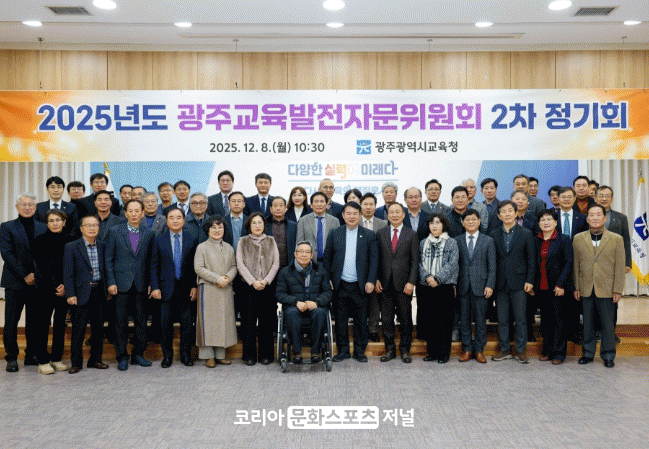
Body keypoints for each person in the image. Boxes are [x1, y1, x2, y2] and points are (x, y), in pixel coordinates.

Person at [324, 201, 379, 363]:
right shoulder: (335, 233)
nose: (352, 216)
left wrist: (371, 281)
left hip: (360, 285)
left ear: (360, 215)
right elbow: (327, 258)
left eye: (355, 213)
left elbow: (374, 260)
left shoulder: (369, 235)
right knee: (340, 320)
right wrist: (328, 279)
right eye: (348, 213)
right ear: (343, 215)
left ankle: (360, 351)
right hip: (340, 284)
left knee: (361, 320)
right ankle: (343, 351)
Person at [105, 199, 155, 371]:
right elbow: (108, 259)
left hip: (141, 284)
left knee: (141, 321)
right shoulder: (114, 231)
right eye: (130, 211)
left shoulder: (149, 233)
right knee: (120, 322)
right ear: (125, 213)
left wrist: (151, 283)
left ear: (142, 213)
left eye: (137, 211)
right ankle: (122, 356)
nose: (134, 214)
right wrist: (111, 281)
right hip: (120, 285)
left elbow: (151, 261)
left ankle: (138, 354)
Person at [574, 204, 625, 368]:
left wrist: (618, 289)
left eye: (598, 215)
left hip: (607, 288)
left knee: (607, 325)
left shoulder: (616, 239)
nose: (595, 218)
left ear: (604, 218)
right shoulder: (578, 238)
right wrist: (577, 286)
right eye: (591, 215)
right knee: (587, 324)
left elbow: (620, 266)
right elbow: (576, 264)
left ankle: (608, 355)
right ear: (587, 219)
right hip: (586, 287)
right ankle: (587, 353)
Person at [1, 194, 47, 372]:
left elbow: (44, 254)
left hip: (37, 282)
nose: (27, 208)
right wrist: (25, 274)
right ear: (17, 207)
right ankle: (12, 357)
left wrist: (35, 274)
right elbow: (7, 254)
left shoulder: (43, 227)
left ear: (35, 208)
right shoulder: (6, 227)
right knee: (11, 322)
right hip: (14, 282)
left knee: (34, 322)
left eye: (30, 205)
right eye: (24, 204)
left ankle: (31, 355)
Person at [149, 207, 198, 368]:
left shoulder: (192, 239)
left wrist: (194, 286)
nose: (175, 220)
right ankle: (167, 357)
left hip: (186, 288)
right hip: (165, 289)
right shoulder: (159, 239)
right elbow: (154, 265)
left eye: (178, 217)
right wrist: (155, 287)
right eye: (171, 217)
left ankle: (185, 355)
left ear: (183, 220)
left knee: (187, 325)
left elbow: (194, 266)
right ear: (166, 220)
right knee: (165, 325)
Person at [490, 200, 536, 364]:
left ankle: (521, 351)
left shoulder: (526, 233)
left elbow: (532, 260)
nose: (507, 214)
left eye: (510, 210)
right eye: (503, 211)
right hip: (501, 283)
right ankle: (504, 349)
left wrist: (530, 280)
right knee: (502, 319)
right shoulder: (494, 234)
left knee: (521, 319)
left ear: (516, 213)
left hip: (520, 283)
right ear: (499, 215)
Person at [63, 215, 109, 374]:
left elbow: (106, 269)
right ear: (81, 228)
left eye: (95, 225)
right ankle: (76, 363)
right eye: (88, 225)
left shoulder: (103, 245)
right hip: (80, 293)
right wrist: (70, 293)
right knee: (78, 329)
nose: (92, 228)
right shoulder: (71, 246)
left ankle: (95, 359)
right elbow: (68, 273)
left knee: (98, 329)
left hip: (99, 292)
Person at [375, 202, 419, 363]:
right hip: (385, 284)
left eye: (397, 212)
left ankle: (405, 350)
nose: (394, 215)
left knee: (405, 319)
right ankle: (390, 349)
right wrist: (376, 279)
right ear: (387, 215)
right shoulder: (380, 233)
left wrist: (411, 282)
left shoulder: (411, 234)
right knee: (387, 320)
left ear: (403, 214)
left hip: (404, 285)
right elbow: (377, 259)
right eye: (391, 212)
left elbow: (415, 261)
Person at [276, 241, 332, 364]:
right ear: (295, 254)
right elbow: (279, 294)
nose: (304, 255)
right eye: (301, 251)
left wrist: (316, 302)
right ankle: (296, 352)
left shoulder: (321, 270)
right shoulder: (285, 272)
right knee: (291, 313)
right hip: (294, 307)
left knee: (320, 313)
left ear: (312, 255)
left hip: (315, 306)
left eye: (307, 252)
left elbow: (328, 292)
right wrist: (296, 302)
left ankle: (315, 351)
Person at [194, 215, 238, 367]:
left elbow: (234, 266)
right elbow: (199, 268)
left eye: (220, 227)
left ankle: (220, 355)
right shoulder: (202, 247)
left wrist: (227, 277)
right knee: (208, 323)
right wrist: (217, 278)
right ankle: (208, 356)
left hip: (225, 288)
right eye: (213, 227)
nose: (217, 230)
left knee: (223, 323)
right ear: (208, 230)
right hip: (208, 289)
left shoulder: (229, 247)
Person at [236, 212, 280, 365]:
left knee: (266, 322)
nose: (257, 225)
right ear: (249, 225)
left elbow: (276, 263)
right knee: (248, 322)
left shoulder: (271, 240)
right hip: (248, 288)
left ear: (264, 225)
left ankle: (266, 355)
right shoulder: (242, 241)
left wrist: (266, 281)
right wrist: (253, 281)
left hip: (267, 287)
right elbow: (240, 264)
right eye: (254, 223)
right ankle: (249, 356)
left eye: (260, 222)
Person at [33, 209, 72, 374]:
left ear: (64, 222)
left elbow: (71, 265)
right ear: (47, 223)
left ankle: (56, 358)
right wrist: (57, 285)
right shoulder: (39, 240)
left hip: (65, 289)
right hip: (45, 288)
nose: (55, 223)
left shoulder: (71, 239)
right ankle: (42, 361)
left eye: (58, 220)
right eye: (51, 221)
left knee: (60, 324)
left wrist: (65, 285)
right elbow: (43, 265)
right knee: (43, 324)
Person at [455, 209, 496, 364]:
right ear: (462, 222)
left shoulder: (488, 240)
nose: (471, 222)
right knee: (464, 320)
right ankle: (467, 349)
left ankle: (479, 350)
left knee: (480, 320)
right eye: (468, 219)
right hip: (462, 286)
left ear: (479, 221)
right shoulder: (457, 240)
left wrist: (490, 284)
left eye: (474, 219)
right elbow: (454, 265)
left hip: (481, 286)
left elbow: (492, 265)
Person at [418, 213, 459, 363]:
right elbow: (419, 263)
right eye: (431, 223)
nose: (434, 226)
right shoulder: (423, 243)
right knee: (430, 321)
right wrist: (428, 277)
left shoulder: (451, 242)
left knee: (445, 322)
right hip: (426, 286)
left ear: (444, 225)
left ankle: (443, 354)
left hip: (444, 287)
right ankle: (432, 352)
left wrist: (437, 279)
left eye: (437, 223)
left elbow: (452, 264)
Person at [535, 209, 573, 365]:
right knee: (546, 321)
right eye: (543, 220)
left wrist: (560, 284)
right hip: (542, 287)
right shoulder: (536, 240)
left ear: (556, 222)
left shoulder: (564, 239)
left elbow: (569, 262)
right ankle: (547, 351)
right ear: (539, 223)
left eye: (549, 219)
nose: (546, 222)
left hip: (558, 287)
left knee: (559, 320)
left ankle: (559, 353)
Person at [359, 192, 388, 342]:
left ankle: (373, 330)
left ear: (376, 206)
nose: (368, 207)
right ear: (360, 206)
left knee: (375, 302)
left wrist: (377, 276)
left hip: (377, 269)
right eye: (365, 204)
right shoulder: (354, 222)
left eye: (371, 204)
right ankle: (360, 329)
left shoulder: (383, 224)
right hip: (358, 269)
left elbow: (384, 251)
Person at [296, 192, 340, 263]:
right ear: (311, 205)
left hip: (329, 260)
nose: (319, 204)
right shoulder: (303, 220)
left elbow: (337, 244)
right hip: (308, 261)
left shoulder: (335, 221)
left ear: (326, 204)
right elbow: (299, 242)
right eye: (316, 202)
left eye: (322, 201)